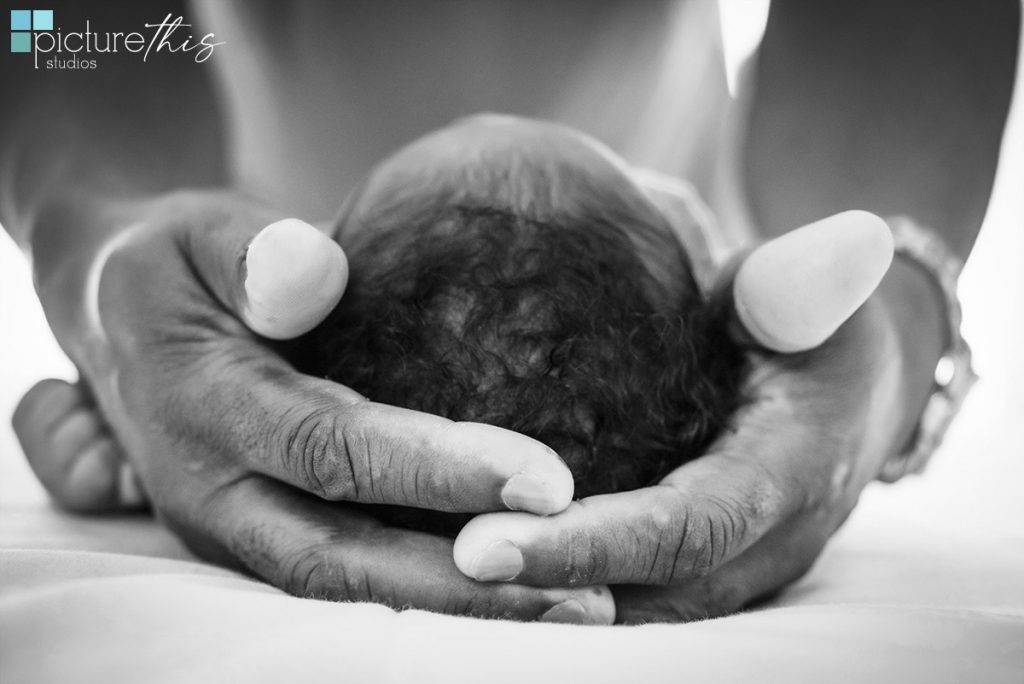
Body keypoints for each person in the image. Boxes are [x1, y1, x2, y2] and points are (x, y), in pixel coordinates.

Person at [1, 0, 1018, 624]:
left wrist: (98, 240)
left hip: (297, 274)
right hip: (281, 263)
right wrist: (113, 268)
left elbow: (59, 25)